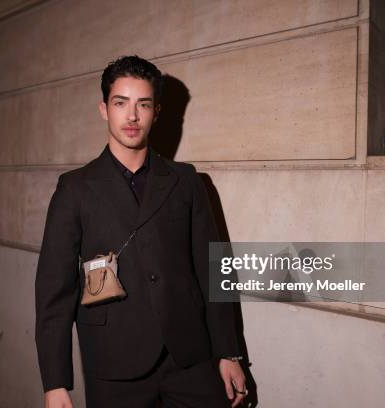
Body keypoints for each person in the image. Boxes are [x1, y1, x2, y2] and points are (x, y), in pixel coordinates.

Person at [35, 56, 246, 408]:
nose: (132, 116)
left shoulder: (186, 181)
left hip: (190, 357)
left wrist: (229, 352)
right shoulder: (74, 188)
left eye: (143, 105)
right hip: (114, 363)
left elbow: (215, 270)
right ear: (104, 109)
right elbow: (54, 290)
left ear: (157, 112)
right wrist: (55, 382)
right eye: (121, 103)